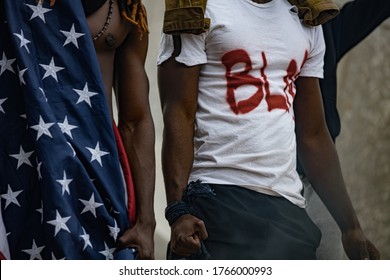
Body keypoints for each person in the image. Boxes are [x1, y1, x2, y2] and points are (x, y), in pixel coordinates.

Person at [157, 0, 380, 259]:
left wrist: (350, 227)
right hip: (215, 196)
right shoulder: (199, 8)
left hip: (286, 208)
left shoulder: (306, 18)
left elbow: (314, 135)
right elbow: (178, 114)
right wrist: (177, 209)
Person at [0, 0, 155, 259]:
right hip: (22, 172)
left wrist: (147, 222)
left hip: (101, 178)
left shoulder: (126, 8)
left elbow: (136, 120)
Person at [301, 0, 390, 259]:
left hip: (318, 183)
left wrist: (350, 226)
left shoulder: (322, 25)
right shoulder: (229, 21)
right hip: (255, 182)